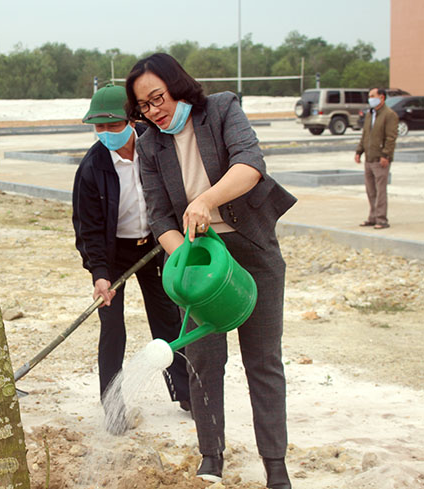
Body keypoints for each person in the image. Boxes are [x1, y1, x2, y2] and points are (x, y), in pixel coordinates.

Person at [125, 53, 297, 489]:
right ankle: (211, 457)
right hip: (198, 261)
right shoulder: (149, 144)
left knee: (263, 361)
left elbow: (250, 165)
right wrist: (187, 263)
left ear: (177, 85)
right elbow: (160, 216)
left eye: (157, 97)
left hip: (251, 253)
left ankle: (275, 465)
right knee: (204, 359)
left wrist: (206, 201)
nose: (153, 110)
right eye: (143, 106)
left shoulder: (221, 109)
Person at [72, 84, 191, 434]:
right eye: (99, 128)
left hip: (156, 246)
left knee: (169, 320)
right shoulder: (92, 168)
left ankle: (186, 394)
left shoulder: (155, 147)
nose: (105, 134)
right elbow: (88, 228)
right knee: (112, 329)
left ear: (131, 120)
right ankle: (112, 406)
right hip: (114, 254)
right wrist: (99, 274)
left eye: (112, 125)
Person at [355, 87, 399, 230]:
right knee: (370, 190)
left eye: (372, 96)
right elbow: (365, 135)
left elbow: (391, 137)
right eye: (369, 96)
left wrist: (386, 155)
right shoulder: (370, 114)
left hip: (380, 159)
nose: (370, 98)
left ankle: (381, 219)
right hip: (369, 158)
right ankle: (372, 217)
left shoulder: (389, 115)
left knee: (380, 191)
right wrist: (359, 151)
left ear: (382, 97)